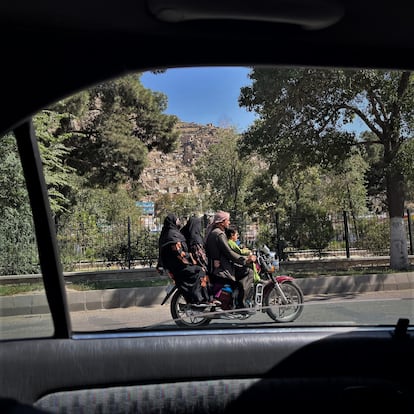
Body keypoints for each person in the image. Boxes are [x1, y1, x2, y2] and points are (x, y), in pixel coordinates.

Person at [158, 213, 217, 306]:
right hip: (178, 266)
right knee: (200, 271)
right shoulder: (172, 235)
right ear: (172, 222)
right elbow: (178, 253)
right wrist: (190, 259)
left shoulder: (172, 234)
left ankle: (204, 298)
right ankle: (201, 298)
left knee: (199, 270)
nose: (179, 222)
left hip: (177, 265)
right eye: (177, 220)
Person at [204, 210, 256, 311]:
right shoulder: (219, 234)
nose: (229, 223)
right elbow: (229, 253)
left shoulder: (214, 232)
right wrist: (245, 261)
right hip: (222, 269)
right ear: (222, 222)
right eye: (227, 220)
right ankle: (241, 304)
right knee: (248, 272)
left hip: (219, 266)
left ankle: (234, 300)